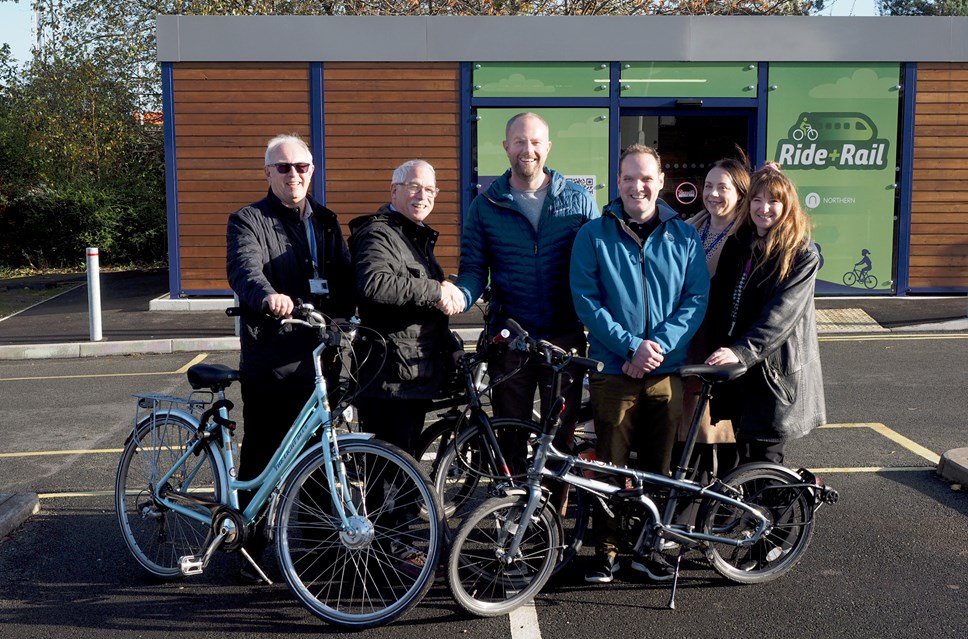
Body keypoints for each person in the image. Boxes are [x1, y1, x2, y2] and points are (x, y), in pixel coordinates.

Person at [570, 144, 709, 584]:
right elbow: (587, 302)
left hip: (666, 372)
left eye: (646, 177)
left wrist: (657, 349)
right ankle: (607, 553)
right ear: (618, 182)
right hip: (614, 371)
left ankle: (647, 550)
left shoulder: (684, 235)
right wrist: (630, 348)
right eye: (629, 178)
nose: (637, 186)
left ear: (661, 181)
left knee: (658, 468)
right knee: (609, 468)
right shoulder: (593, 234)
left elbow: (695, 300)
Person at [226, 133, 355, 580]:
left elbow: (341, 278)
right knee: (263, 452)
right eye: (283, 168)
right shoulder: (248, 220)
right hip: (273, 356)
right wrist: (268, 297)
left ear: (312, 171)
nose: (294, 174)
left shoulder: (325, 220)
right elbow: (245, 269)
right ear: (268, 173)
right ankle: (246, 543)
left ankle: (318, 550)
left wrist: (352, 318)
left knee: (321, 456)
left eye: (302, 166)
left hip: (320, 357)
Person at [455, 112, 599, 455]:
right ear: (506, 147)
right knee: (510, 434)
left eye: (535, 142)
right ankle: (513, 507)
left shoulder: (578, 201)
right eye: (519, 141)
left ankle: (554, 507)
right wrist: (461, 294)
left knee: (560, 437)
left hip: (564, 337)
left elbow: (599, 267)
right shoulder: (485, 205)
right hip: (511, 338)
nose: (527, 150)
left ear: (548, 147)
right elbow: (474, 268)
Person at [704, 162, 826, 465]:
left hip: (771, 374)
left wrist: (741, 352)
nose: (764, 208)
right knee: (738, 461)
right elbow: (719, 300)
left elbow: (781, 315)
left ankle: (778, 513)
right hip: (738, 371)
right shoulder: (739, 243)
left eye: (773, 200)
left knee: (764, 461)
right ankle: (740, 513)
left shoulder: (801, 254)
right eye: (757, 200)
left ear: (787, 205)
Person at [348, 159, 462, 457]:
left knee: (405, 475)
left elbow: (424, 313)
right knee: (389, 477)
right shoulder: (379, 234)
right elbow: (375, 284)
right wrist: (437, 289)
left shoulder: (414, 235)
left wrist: (451, 345)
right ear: (394, 190)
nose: (421, 196)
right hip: (388, 379)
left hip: (410, 373)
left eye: (428, 190)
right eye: (413, 187)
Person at [675, 158, 751, 482]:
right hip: (685, 339)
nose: (713, 194)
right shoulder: (691, 227)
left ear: (740, 193)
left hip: (719, 343)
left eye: (723, 187)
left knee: (714, 431)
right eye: (709, 186)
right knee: (684, 427)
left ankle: (718, 504)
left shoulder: (746, 237)